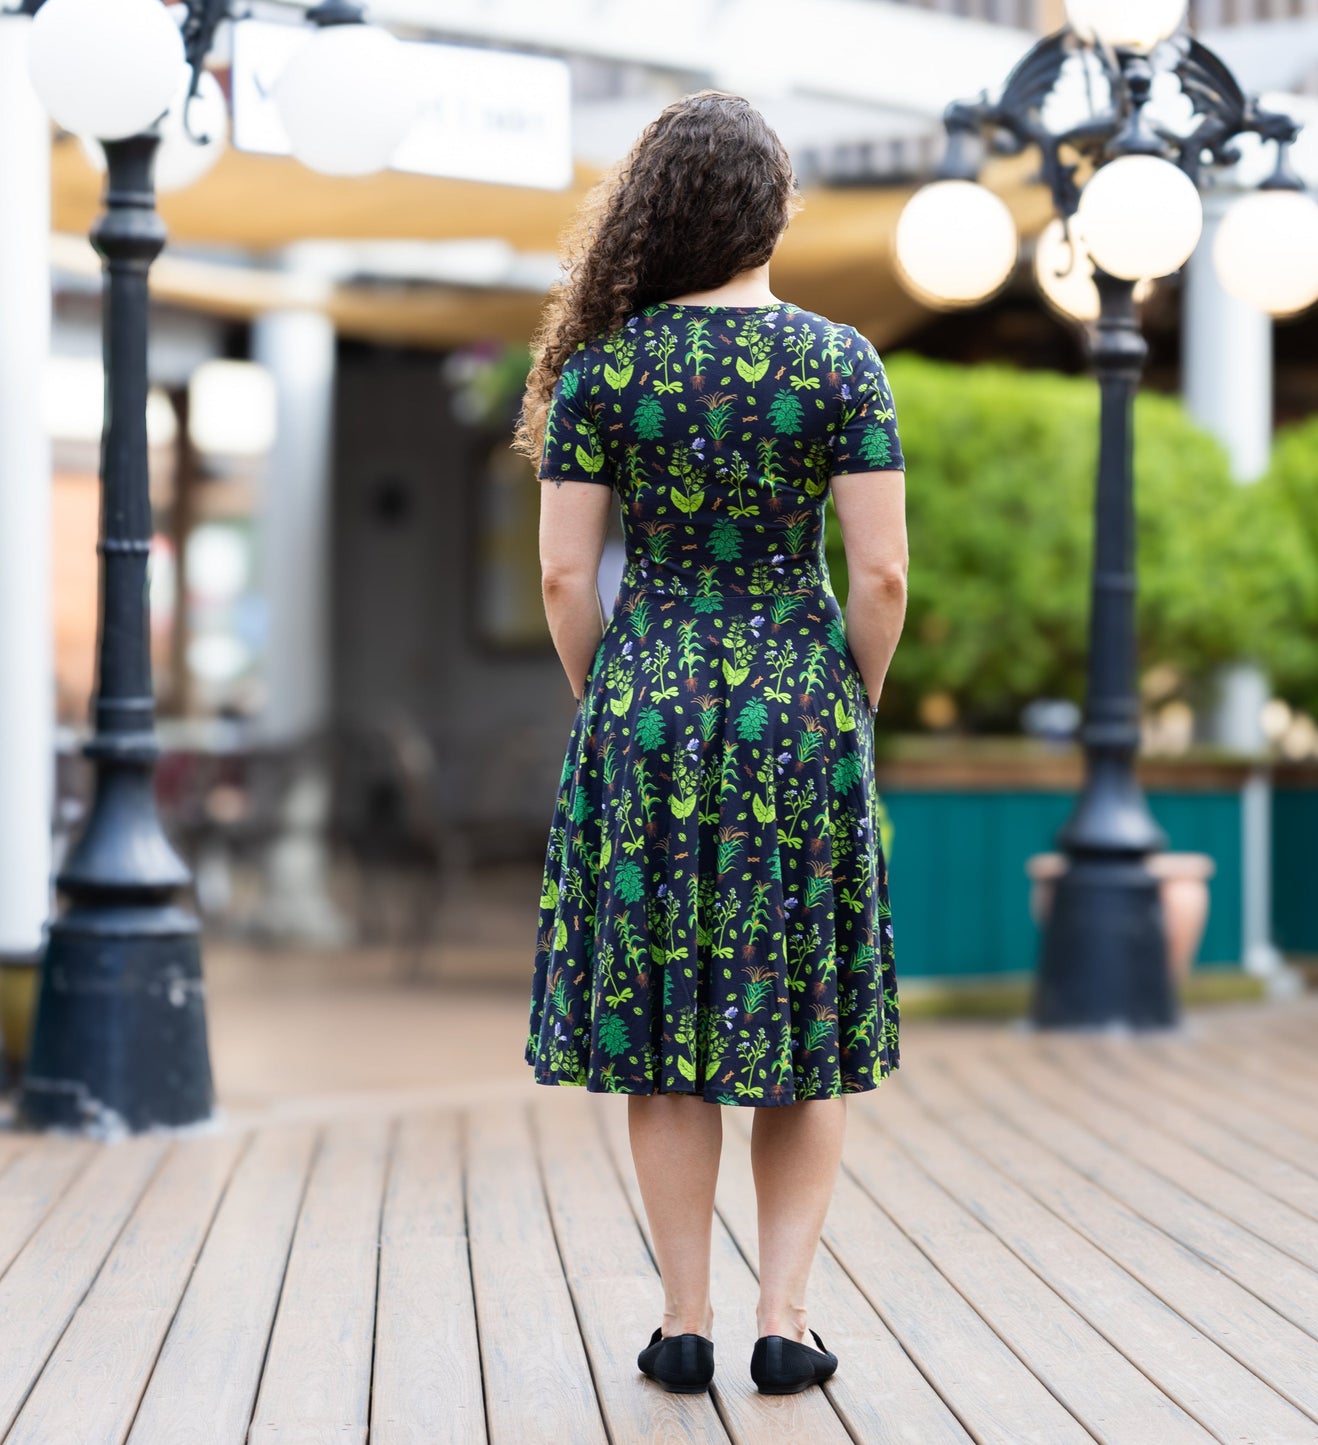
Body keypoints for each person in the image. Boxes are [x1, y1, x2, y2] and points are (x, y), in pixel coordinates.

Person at [514, 90, 908, 1398]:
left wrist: (613, 695)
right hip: (794, 709)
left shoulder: (602, 370)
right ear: (772, 211)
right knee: (798, 1025)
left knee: (663, 1022)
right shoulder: (839, 362)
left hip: (645, 714)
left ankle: (681, 1316)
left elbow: (567, 580)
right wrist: (845, 700)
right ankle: (780, 1320)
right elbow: (883, 575)